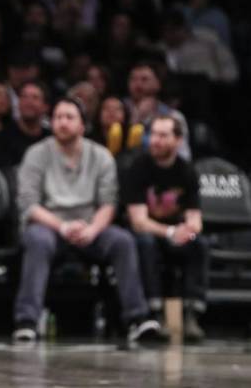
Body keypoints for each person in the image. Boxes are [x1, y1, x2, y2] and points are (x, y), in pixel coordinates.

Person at [13, 98, 162, 344]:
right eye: (58, 117)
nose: (62, 122)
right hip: (49, 225)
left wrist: (92, 229)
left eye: (69, 117)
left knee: (122, 241)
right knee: (37, 240)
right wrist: (61, 226)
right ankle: (26, 320)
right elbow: (29, 204)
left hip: (89, 227)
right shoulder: (36, 154)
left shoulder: (101, 156)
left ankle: (137, 317)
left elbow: (109, 203)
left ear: (83, 125)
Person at [124, 115, 208, 342]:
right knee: (145, 242)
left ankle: (192, 315)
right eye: (153, 134)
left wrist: (187, 232)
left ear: (178, 140)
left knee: (198, 243)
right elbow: (138, 221)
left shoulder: (187, 171)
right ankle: (154, 312)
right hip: (149, 232)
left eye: (163, 135)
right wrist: (170, 232)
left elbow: (195, 221)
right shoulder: (138, 167)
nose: (155, 141)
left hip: (179, 233)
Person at [0, 81, 50, 170]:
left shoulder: (52, 139)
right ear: (18, 103)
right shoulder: (1, 139)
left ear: (45, 107)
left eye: (35, 98)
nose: (28, 102)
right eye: (24, 97)